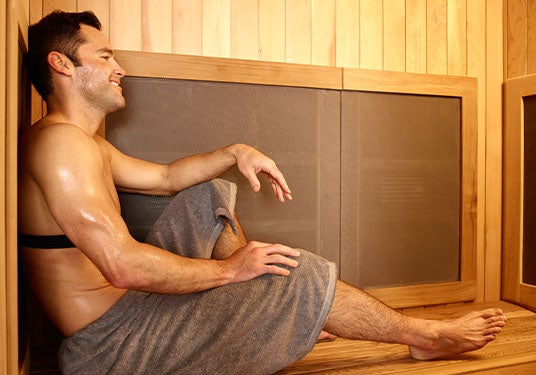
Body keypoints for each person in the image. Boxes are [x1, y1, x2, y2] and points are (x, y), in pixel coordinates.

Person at [19, 10, 507, 374]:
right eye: (104, 56)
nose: (118, 66)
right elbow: (121, 265)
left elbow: (169, 178)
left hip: (124, 312)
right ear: (61, 64)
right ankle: (425, 335)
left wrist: (236, 151)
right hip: (110, 344)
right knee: (295, 276)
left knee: (206, 193)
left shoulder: (84, 144)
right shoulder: (60, 145)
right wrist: (229, 271)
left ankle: (269, 299)